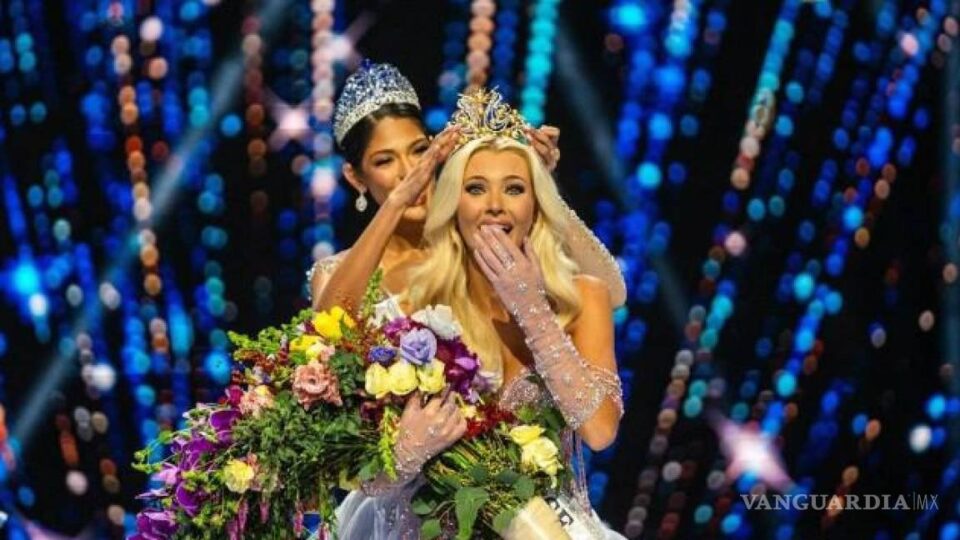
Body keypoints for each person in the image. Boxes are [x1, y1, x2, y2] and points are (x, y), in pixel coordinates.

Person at [400, 88, 626, 538]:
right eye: (475, 188)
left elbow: (601, 431)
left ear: (536, 206)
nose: (495, 205)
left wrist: (531, 308)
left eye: (515, 188)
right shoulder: (418, 305)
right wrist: (405, 453)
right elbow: (370, 479)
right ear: (453, 205)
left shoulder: (583, 297)